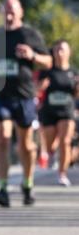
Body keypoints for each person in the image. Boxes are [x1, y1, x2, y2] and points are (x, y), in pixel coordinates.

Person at [0, 0, 51, 207]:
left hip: (23, 95)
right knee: (3, 138)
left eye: (13, 10)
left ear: (21, 12)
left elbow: (48, 61)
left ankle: (27, 183)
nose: (9, 13)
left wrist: (32, 55)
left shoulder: (29, 34)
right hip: (1, 94)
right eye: (5, 9)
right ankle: (3, 188)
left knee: (25, 144)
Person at [38, 40, 77, 186]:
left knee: (65, 142)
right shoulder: (47, 72)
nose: (59, 53)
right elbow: (37, 90)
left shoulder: (73, 73)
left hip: (67, 110)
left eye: (62, 50)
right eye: (56, 50)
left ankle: (62, 174)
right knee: (50, 145)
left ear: (68, 52)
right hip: (49, 111)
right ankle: (52, 154)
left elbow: (76, 95)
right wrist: (41, 86)